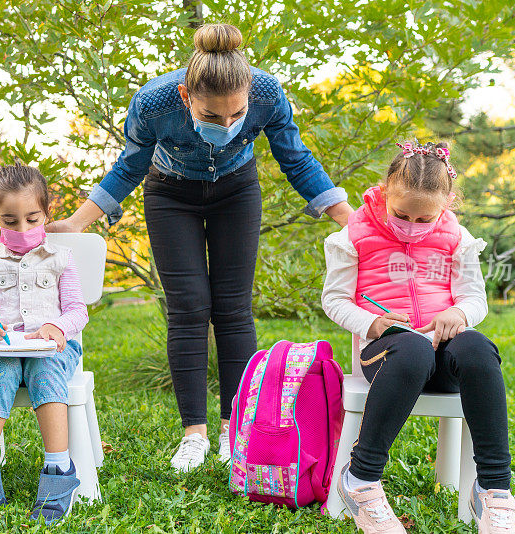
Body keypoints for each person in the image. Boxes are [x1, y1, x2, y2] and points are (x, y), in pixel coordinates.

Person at [48, 23, 353, 472]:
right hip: (170, 194)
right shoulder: (153, 102)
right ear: (187, 97)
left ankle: (235, 430)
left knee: (233, 308)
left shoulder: (268, 93)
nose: (227, 126)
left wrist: (351, 220)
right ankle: (195, 435)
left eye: (236, 116)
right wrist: (76, 223)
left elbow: (296, 158)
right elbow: (129, 166)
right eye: (212, 117)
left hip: (237, 191)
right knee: (189, 307)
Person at [321, 141, 515, 534]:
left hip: (441, 353)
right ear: (387, 190)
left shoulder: (457, 236)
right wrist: (371, 323)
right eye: (402, 213)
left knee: (477, 347)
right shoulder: (354, 234)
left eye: (425, 218)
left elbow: (474, 297)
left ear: (447, 203)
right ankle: (360, 480)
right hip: (388, 354)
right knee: (411, 348)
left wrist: (458, 313)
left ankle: (494, 490)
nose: (412, 224)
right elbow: (334, 299)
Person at [0, 164, 89, 524]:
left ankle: (59, 466)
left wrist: (56, 326)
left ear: (47, 213)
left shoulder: (61, 259)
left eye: (32, 219)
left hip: (51, 351)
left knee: (44, 368)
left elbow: (78, 310)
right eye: (11, 220)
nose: (22, 229)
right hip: (3, 350)